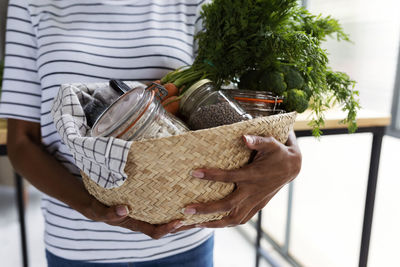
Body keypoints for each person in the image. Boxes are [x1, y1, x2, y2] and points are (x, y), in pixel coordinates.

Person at [0, 0, 302, 266]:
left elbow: (247, 105)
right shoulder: (30, 4)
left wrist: (291, 156)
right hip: (79, 244)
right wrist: (91, 206)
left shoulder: (193, 4)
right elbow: (22, 142)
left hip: (184, 239)